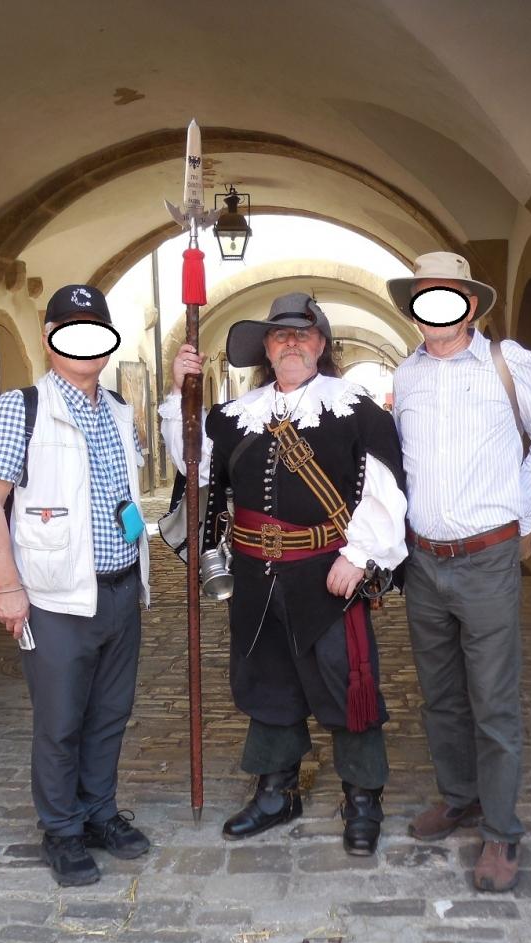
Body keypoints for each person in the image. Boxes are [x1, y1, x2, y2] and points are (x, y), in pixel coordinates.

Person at [160, 293, 407, 856]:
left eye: (303, 334)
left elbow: (385, 485)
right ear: (266, 350)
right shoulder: (235, 416)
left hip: (328, 575)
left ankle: (363, 799)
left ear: (321, 345)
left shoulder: (354, 409)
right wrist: (180, 393)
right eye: (280, 335)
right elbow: (193, 465)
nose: (291, 343)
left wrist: (358, 556)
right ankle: (276, 792)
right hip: (255, 578)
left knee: (347, 684)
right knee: (268, 681)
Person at [389, 252, 531, 891]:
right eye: (425, 296)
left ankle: (500, 829)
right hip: (424, 561)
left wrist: (516, 508)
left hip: (487, 559)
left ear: (469, 304)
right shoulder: (405, 374)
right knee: (440, 695)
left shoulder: (506, 362)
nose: (435, 307)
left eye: (447, 295)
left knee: (492, 700)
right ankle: (459, 796)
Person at [0, 283, 151, 887]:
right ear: (49, 338)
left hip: (119, 589)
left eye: (94, 330)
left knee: (110, 715)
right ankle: (62, 830)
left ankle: (99, 813)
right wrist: (7, 587)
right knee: (61, 721)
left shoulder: (119, 409)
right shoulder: (19, 409)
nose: (84, 343)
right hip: (54, 596)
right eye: (70, 330)